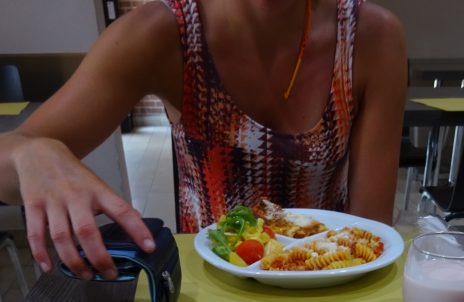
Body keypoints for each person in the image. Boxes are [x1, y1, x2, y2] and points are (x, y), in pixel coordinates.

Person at [0, 0, 406, 280]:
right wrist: (29, 152)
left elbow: (373, 237)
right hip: (209, 292)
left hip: (333, 287)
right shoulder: (164, 31)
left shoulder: (372, 36)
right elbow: (8, 161)